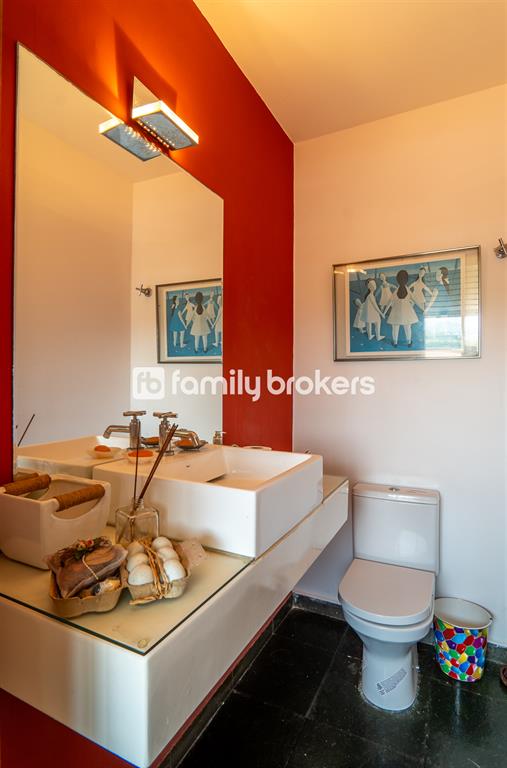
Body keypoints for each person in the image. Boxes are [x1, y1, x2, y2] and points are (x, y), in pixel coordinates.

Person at [384, 269, 418, 346]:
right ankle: (409, 342)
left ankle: (395, 343)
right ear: (407, 280)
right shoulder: (408, 290)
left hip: (396, 312)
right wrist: (423, 309)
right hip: (407, 312)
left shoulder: (396, 291)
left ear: (397, 280)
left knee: (395, 328)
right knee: (407, 327)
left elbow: (389, 302)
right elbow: (415, 300)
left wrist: (384, 312)